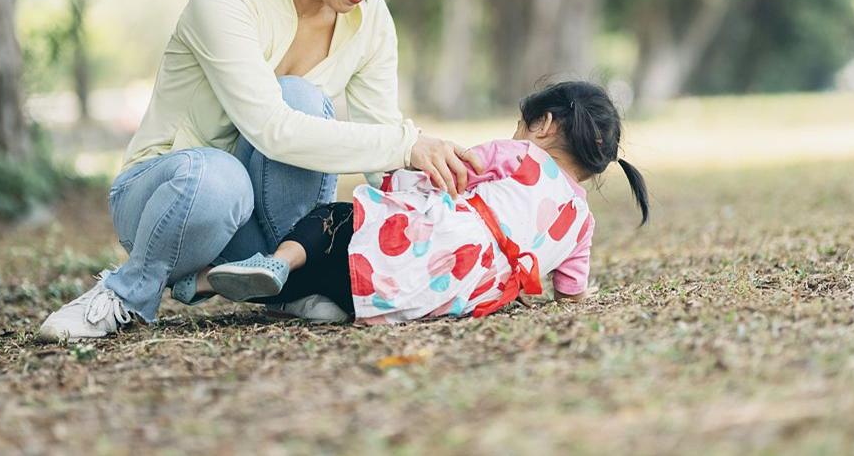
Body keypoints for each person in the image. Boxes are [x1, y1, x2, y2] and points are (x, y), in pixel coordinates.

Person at [39, 0, 482, 341]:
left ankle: (284, 280)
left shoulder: (370, 20)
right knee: (232, 164)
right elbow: (272, 129)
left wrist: (454, 222)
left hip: (255, 221)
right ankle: (127, 291)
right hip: (170, 196)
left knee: (303, 98)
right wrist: (406, 143)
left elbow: (380, 149)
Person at [205, 81, 649, 324]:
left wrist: (393, 183)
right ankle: (322, 304)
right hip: (452, 295)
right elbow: (570, 292)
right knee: (341, 271)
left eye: (520, 124)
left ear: (544, 124)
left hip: (419, 250)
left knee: (336, 220)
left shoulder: (523, 156)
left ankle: (273, 263)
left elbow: (451, 175)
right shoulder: (582, 225)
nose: (516, 133)